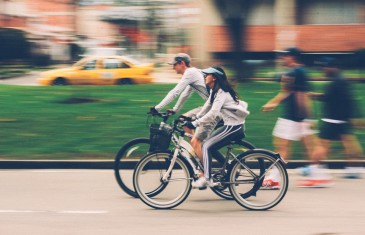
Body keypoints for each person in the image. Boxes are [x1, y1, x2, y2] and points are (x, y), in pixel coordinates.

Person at [262, 47, 328, 188]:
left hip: (294, 117)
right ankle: (318, 176)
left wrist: (272, 103)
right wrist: (307, 117)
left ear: (292, 57)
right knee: (306, 146)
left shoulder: (294, 72)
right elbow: (295, 93)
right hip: (300, 116)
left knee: (283, 146)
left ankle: (274, 178)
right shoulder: (301, 71)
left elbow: (293, 93)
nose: (282, 59)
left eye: (285, 56)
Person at [184, 66, 250, 189]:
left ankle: (207, 179)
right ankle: (228, 169)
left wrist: (195, 124)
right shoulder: (215, 91)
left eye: (207, 75)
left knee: (206, 146)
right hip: (230, 126)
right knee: (211, 147)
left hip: (233, 127)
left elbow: (213, 113)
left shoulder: (222, 92)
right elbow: (207, 106)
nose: (204, 76)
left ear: (214, 77)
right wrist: (194, 117)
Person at [309, 57, 364, 180]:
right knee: (350, 143)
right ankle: (355, 169)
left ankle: (313, 169)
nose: (323, 70)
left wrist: (314, 96)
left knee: (321, 144)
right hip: (341, 119)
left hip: (332, 119)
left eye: (324, 67)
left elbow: (343, 100)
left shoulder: (337, 81)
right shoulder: (340, 79)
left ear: (332, 67)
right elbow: (343, 99)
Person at [150, 53, 220, 139]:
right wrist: (175, 109)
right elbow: (185, 94)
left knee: (190, 129)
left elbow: (175, 92)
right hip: (212, 106)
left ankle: (197, 148)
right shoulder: (193, 72)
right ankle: (195, 148)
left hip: (215, 109)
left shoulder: (190, 72)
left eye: (175, 65)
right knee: (184, 121)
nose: (173, 68)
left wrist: (157, 108)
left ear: (182, 63)